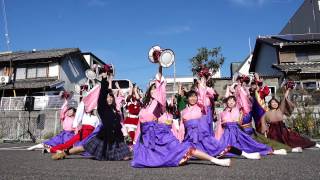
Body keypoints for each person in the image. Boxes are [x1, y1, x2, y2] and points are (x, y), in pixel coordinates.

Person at [131, 65, 231, 168]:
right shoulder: (144, 106)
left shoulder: (159, 104)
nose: (155, 90)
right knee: (151, 159)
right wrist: (135, 139)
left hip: (160, 135)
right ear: (149, 91)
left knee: (187, 149)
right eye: (153, 89)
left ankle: (215, 160)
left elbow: (160, 85)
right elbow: (140, 124)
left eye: (157, 88)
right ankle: (177, 158)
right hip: (146, 138)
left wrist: (160, 66)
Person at [52, 72, 131, 160]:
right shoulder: (102, 107)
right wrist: (104, 80)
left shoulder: (116, 110)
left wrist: (123, 135)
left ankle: (112, 153)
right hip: (103, 136)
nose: (109, 98)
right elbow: (102, 94)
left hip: (116, 137)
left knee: (126, 156)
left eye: (111, 97)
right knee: (84, 148)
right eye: (107, 97)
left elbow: (118, 125)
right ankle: (64, 153)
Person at [178, 89, 261, 160]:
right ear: (187, 98)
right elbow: (182, 128)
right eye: (191, 96)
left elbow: (204, 95)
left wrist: (202, 83)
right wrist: (180, 140)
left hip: (202, 135)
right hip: (189, 138)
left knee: (221, 147)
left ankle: (246, 155)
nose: (193, 98)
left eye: (195, 96)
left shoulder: (201, 107)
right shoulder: (183, 112)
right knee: (182, 152)